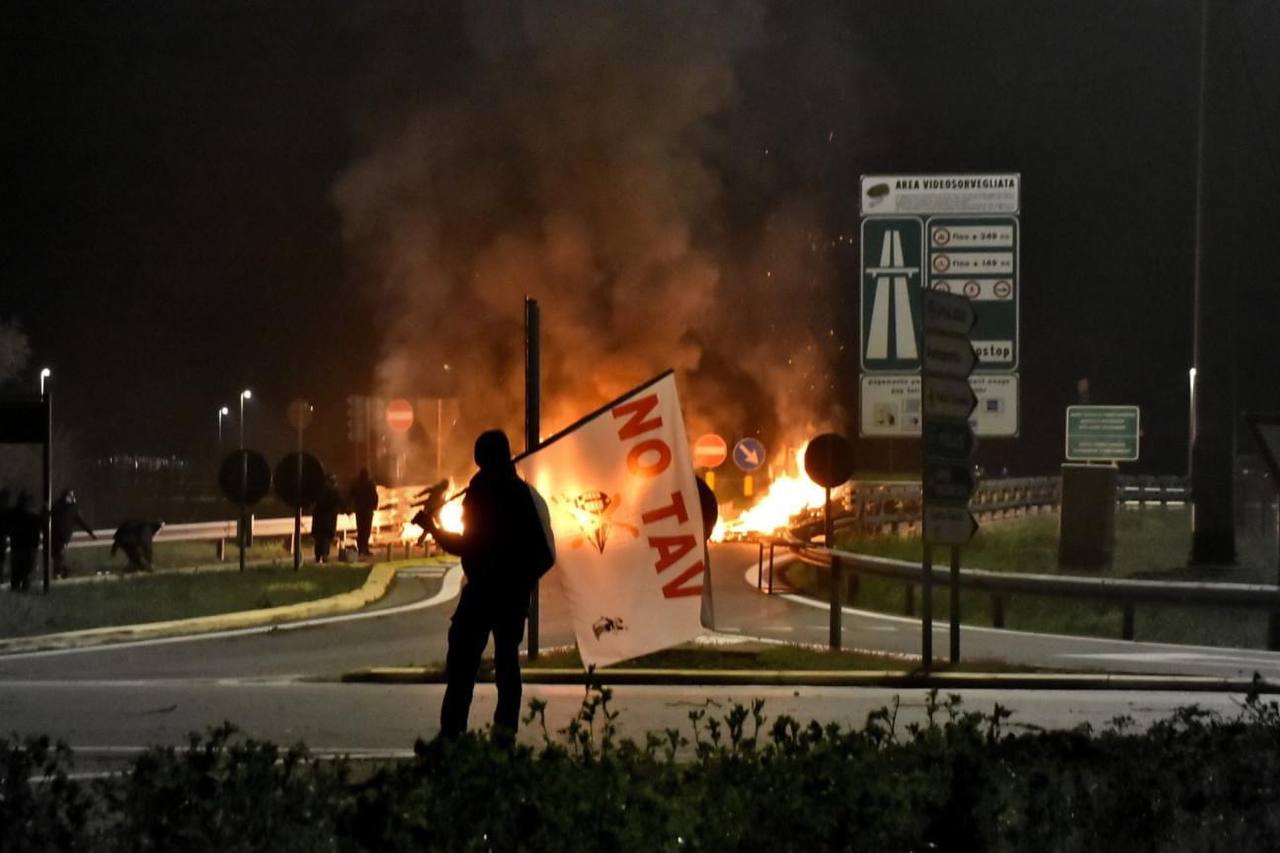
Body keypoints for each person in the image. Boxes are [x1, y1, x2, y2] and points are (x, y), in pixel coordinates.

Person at [421, 429, 555, 739]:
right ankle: (503, 735)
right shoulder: (524, 495)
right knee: (507, 664)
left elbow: (469, 545)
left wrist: (434, 529)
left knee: (463, 663)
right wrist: (523, 582)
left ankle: (452, 735)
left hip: (483, 592)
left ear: (483, 457)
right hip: (512, 596)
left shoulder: (482, 494)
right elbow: (542, 552)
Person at [50, 488, 96, 578]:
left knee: (59, 555)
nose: (72, 497)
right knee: (58, 555)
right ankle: (59, 572)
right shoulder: (60, 507)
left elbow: (81, 522)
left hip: (62, 537)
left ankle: (59, 572)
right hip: (58, 535)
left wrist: (90, 532)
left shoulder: (70, 508)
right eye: (70, 495)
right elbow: (80, 521)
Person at [9, 492, 42, 592]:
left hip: (18, 547)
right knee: (26, 571)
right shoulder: (33, 516)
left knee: (17, 571)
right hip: (28, 547)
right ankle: (23, 588)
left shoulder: (13, 515)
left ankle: (17, 589)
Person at [311, 474, 343, 563]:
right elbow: (339, 500)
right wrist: (346, 510)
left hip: (318, 518)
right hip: (328, 518)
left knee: (319, 538)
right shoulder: (332, 490)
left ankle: (318, 556)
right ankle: (324, 556)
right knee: (326, 537)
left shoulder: (318, 489)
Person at [349, 468, 380, 556]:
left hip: (359, 510)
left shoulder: (356, 484)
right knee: (366, 530)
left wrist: (349, 507)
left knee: (360, 530)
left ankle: (360, 549)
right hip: (367, 510)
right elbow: (375, 496)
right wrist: (374, 506)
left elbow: (350, 496)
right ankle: (364, 548)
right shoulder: (370, 484)